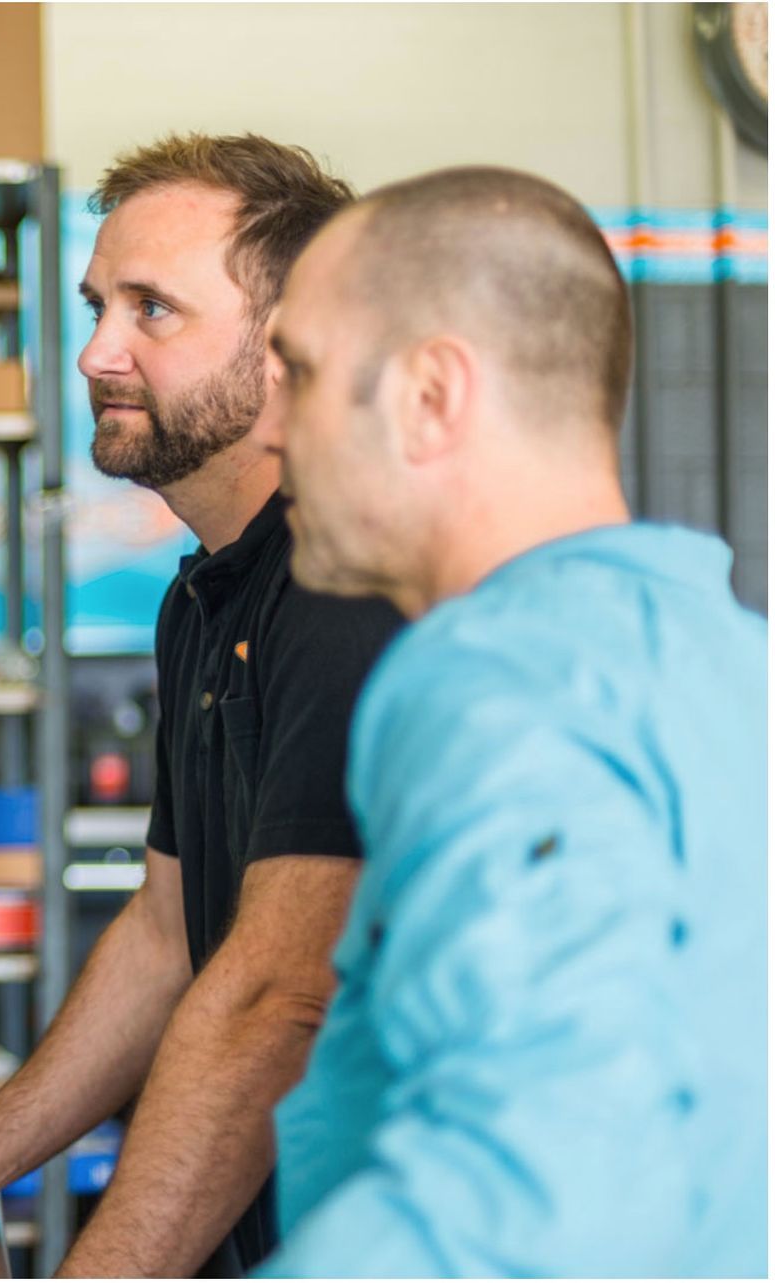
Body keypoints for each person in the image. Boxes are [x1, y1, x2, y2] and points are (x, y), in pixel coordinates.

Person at [0, 134, 403, 1277]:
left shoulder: (347, 589)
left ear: (291, 343)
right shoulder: (204, 597)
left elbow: (276, 1001)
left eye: (154, 309)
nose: (96, 352)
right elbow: (164, 937)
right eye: (99, 306)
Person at [256, 165, 768, 1276]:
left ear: (431, 396)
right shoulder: (731, 658)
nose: (272, 431)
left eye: (302, 373)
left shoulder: (494, 678)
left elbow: (534, 1185)